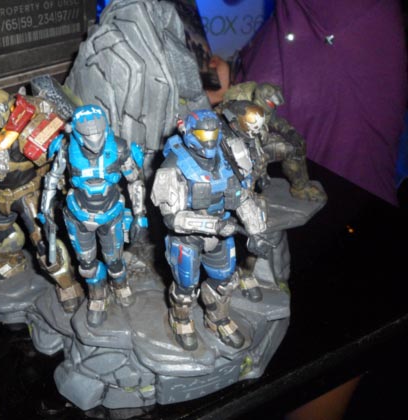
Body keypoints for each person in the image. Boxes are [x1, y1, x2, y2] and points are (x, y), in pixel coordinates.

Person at [207, 0, 408, 206]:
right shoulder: (295, 10)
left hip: (340, 214)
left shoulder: (347, 12)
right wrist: (230, 93)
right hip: (283, 207)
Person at [150, 110, 267, 351]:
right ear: (189, 133)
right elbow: (172, 219)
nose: (209, 140)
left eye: (213, 134)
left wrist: (256, 231)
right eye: (203, 135)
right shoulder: (173, 164)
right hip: (188, 237)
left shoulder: (229, 156)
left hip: (222, 231)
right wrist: (214, 226)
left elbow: (242, 197)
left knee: (224, 281)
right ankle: (181, 319)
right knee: (185, 287)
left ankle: (217, 320)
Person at [0, 89, 84, 312]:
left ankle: (68, 285)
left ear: (2, 111)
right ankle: (13, 261)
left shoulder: (26, 131)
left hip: (28, 195)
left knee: (46, 245)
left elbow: (58, 153)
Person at [40, 104, 148, 327]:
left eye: (98, 132)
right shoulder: (66, 148)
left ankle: (119, 285)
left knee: (114, 260)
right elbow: (51, 180)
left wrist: (139, 214)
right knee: (87, 265)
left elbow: (135, 181)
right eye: (88, 134)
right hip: (78, 215)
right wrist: (46, 212)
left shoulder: (120, 148)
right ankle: (98, 295)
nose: (94, 139)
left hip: (111, 214)